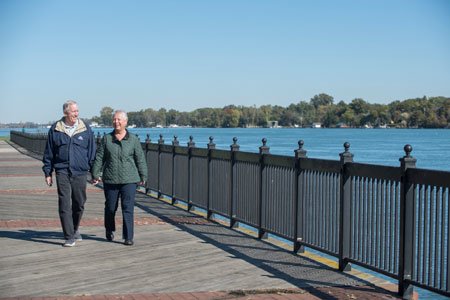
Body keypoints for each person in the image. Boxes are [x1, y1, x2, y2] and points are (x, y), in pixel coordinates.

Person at [42, 100, 96, 247]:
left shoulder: (85, 129)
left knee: (79, 203)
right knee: (64, 203)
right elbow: (49, 153)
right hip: (62, 171)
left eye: (77, 111)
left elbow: (92, 153)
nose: (76, 114)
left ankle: (75, 228)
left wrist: (94, 173)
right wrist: (48, 172)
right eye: (73, 111)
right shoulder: (55, 129)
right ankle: (69, 236)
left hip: (80, 171)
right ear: (66, 113)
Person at [91, 110, 147, 246]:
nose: (116, 122)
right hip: (111, 179)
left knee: (128, 208)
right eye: (114, 120)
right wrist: (95, 173)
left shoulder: (133, 139)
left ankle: (128, 237)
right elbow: (99, 157)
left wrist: (143, 175)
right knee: (110, 208)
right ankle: (109, 229)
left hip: (129, 180)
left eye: (119, 120)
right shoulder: (107, 139)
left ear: (125, 122)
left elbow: (140, 158)